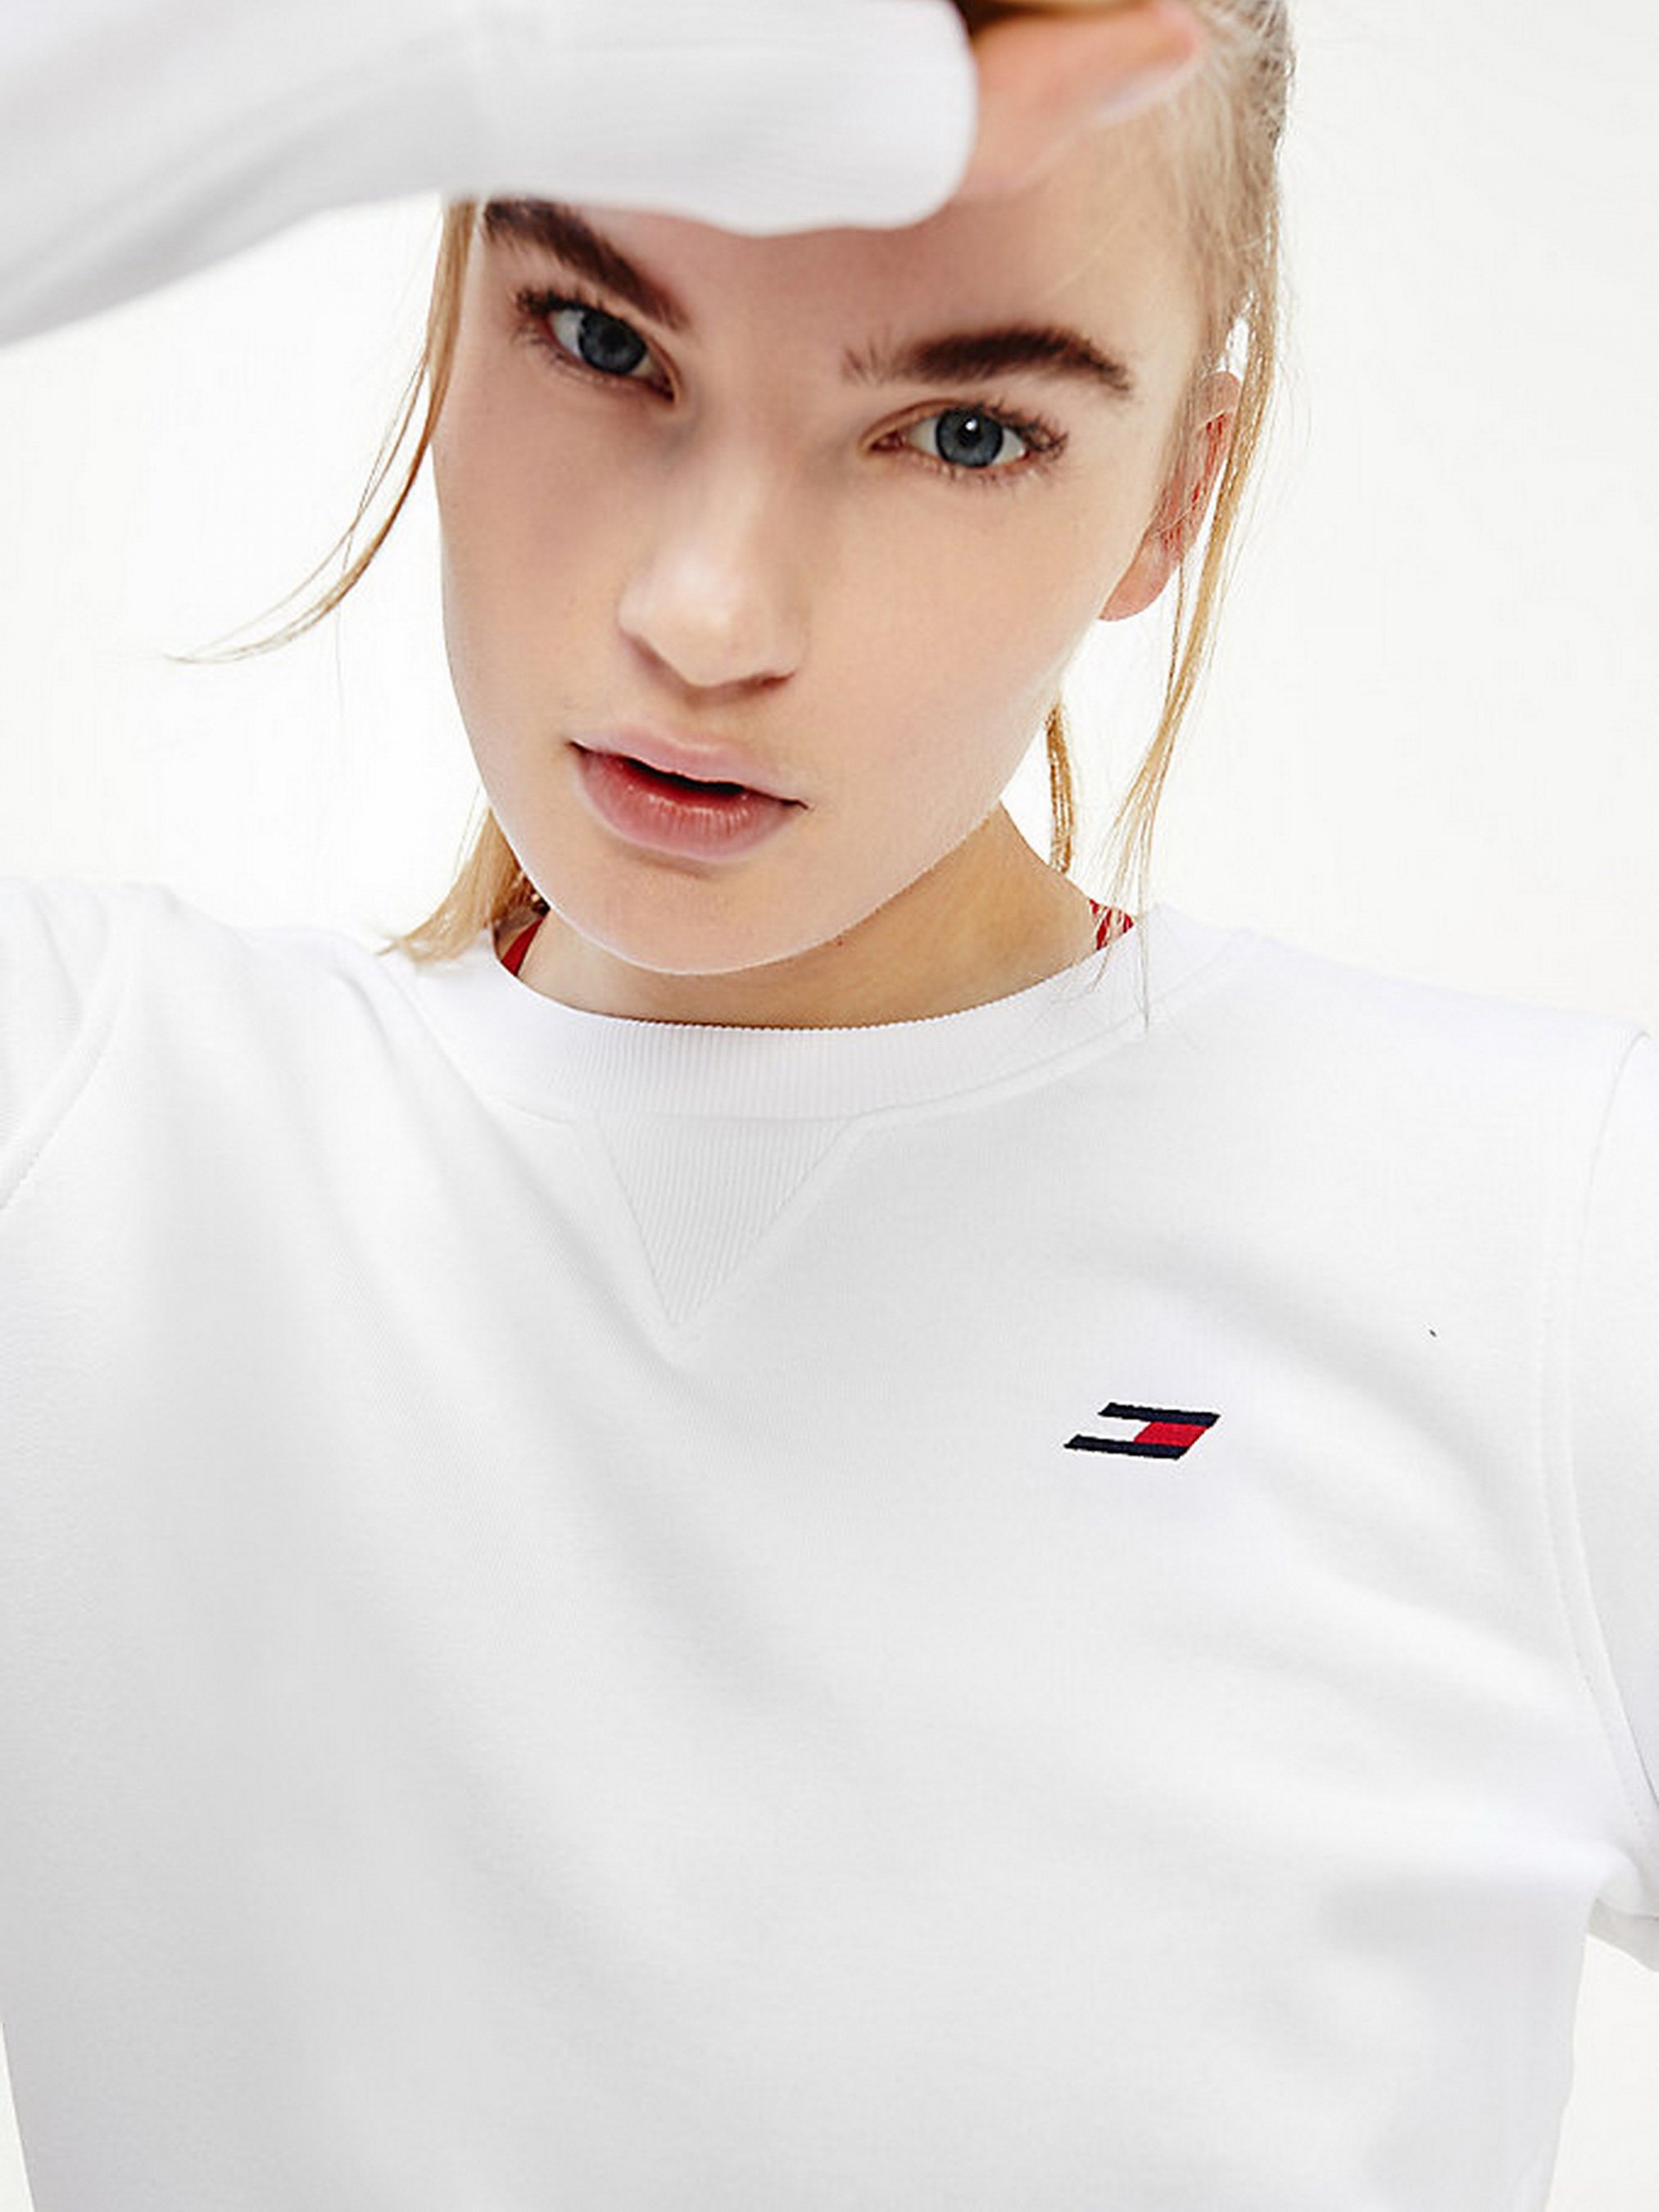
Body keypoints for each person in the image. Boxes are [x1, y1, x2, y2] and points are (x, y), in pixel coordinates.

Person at [0, 2, 1654, 2207]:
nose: (709, 616)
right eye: (601, 333)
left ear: (1176, 489)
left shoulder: (1550, 1241)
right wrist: (458, 41)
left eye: (962, 431)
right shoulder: (85, 1146)